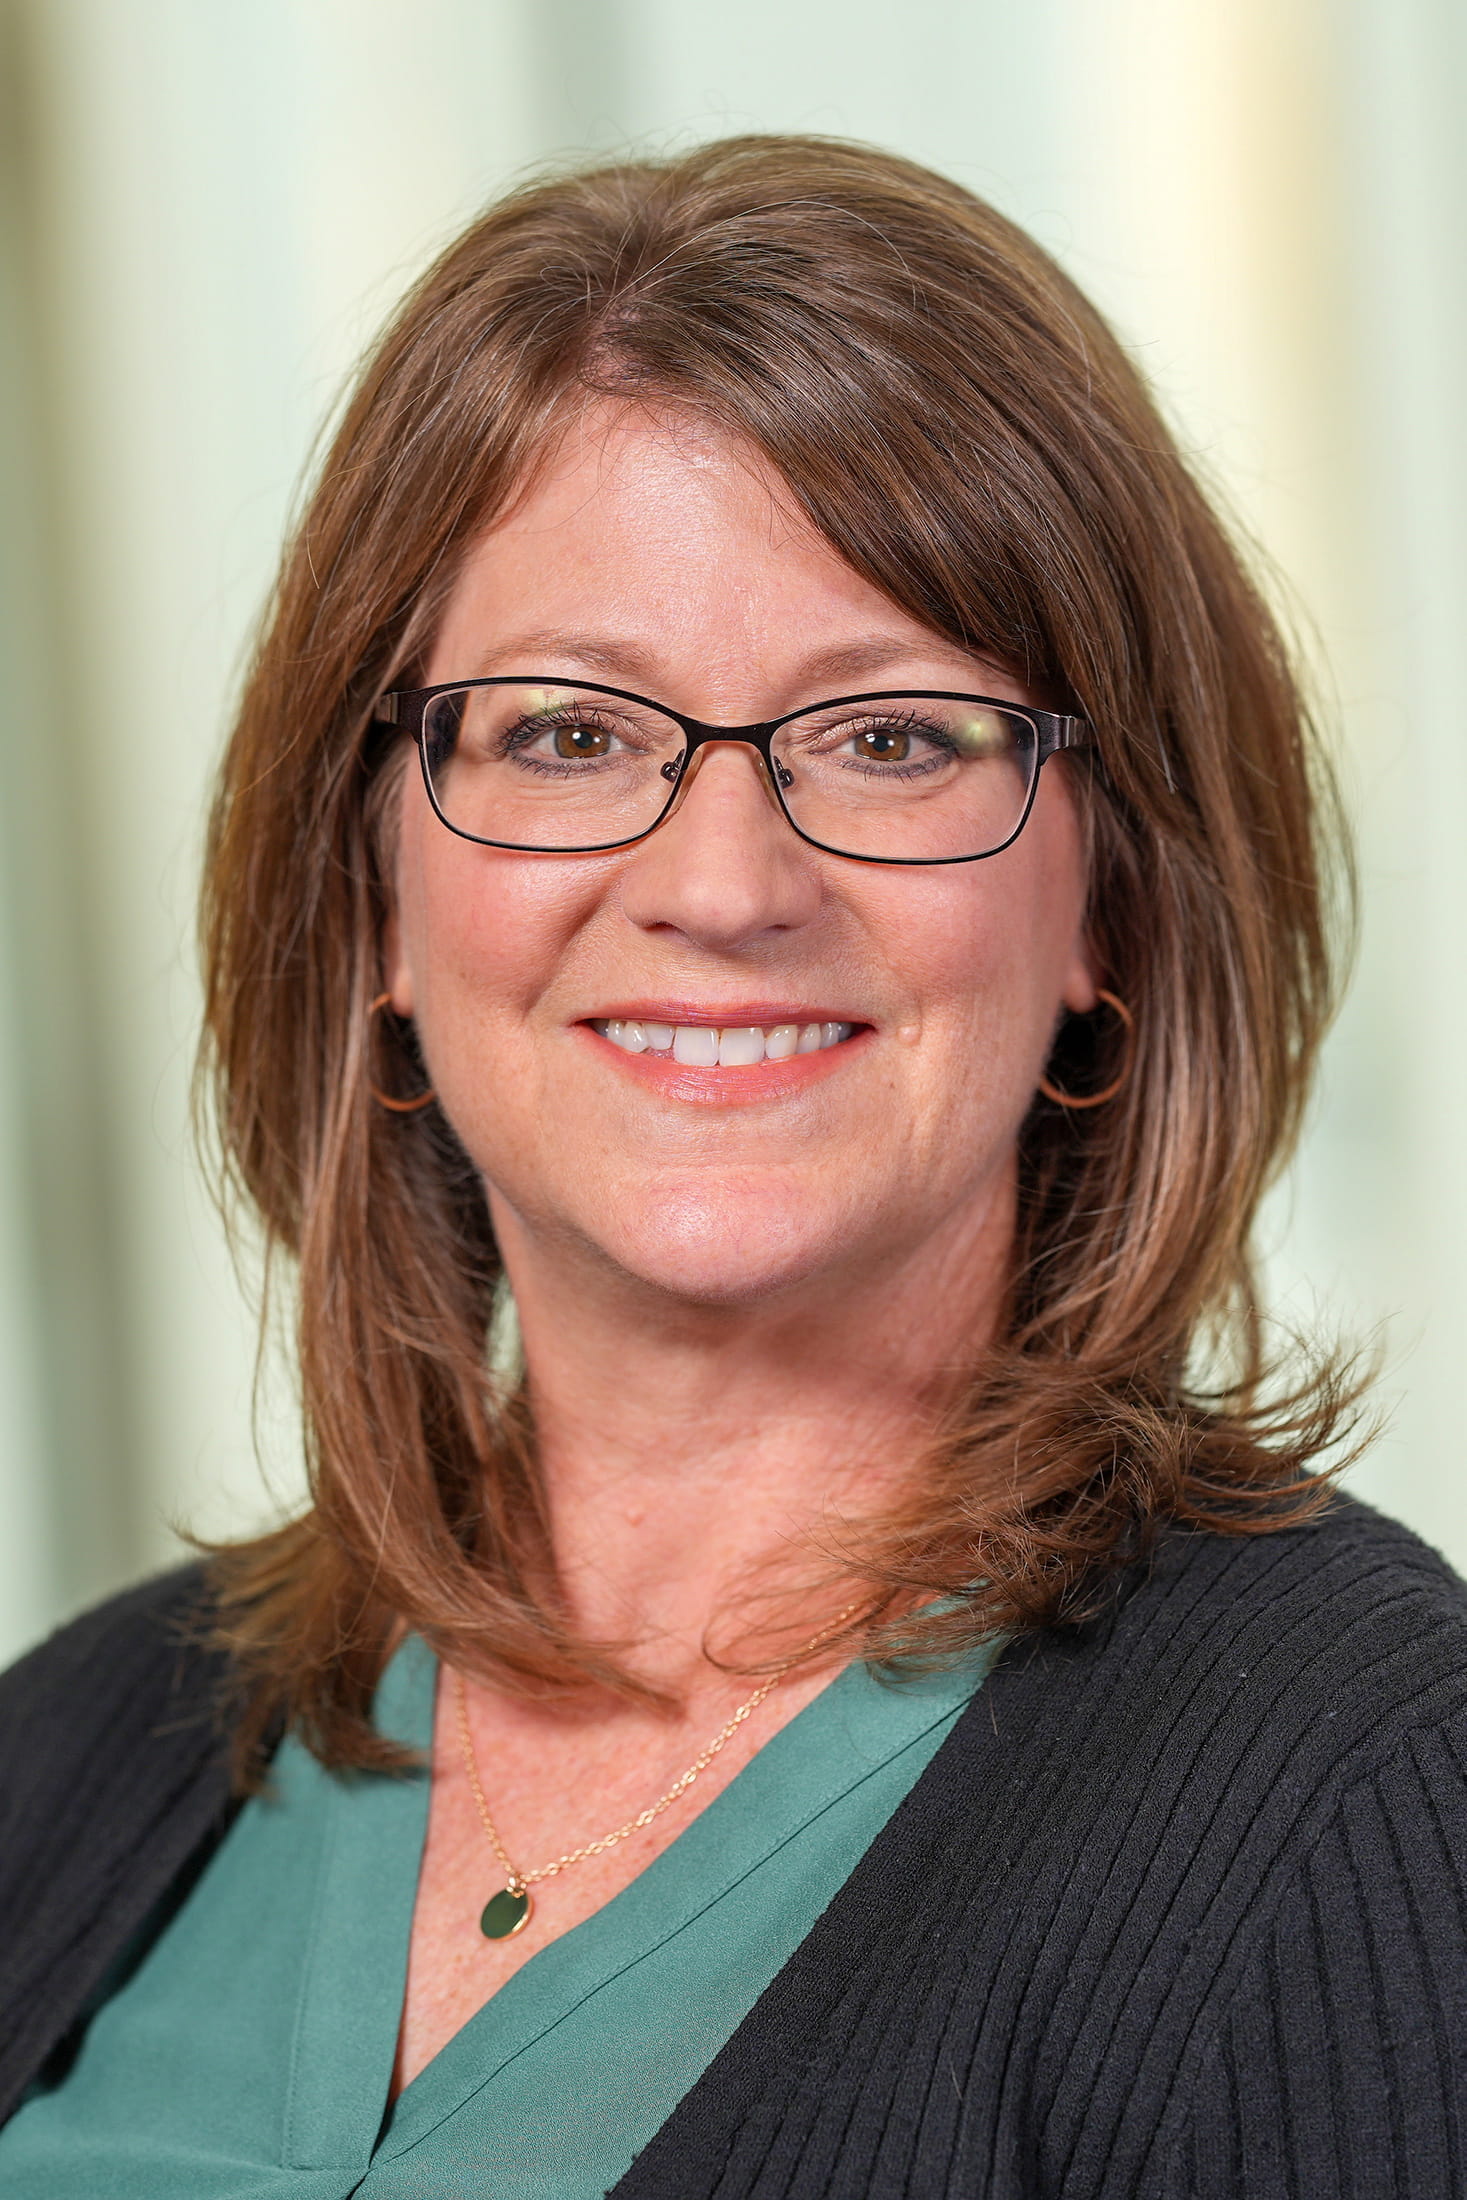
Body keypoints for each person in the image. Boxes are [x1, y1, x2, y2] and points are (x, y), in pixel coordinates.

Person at [1, 133, 1464, 2200]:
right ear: (375, 893)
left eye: (891, 738)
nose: (720, 881)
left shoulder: (1357, 1790)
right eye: (565, 733)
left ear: (1107, 906)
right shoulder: (70, 1754)